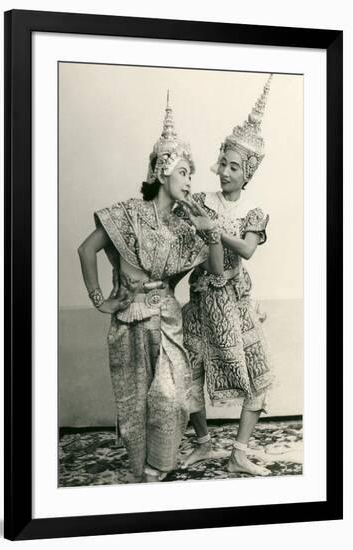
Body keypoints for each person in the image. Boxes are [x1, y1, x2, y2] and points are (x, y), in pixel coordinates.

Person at [78, 94, 224, 483]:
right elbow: (86, 250)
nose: (190, 180)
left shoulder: (185, 227)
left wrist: (210, 233)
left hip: (169, 321)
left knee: (170, 398)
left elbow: (216, 270)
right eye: (184, 172)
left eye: (191, 173)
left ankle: (161, 464)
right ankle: (143, 472)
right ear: (162, 172)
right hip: (131, 319)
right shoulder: (128, 214)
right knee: (135, 402)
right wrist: (100, 300)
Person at [181, 75, 275, 476]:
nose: (225, 172)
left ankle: (238, 453)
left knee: (259, 375)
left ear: (247, 172)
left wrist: (216, 231)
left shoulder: (255, 210)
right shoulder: (202, 200)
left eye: (234, 167)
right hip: (202, 297)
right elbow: (188, 245)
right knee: (191, 372)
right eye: (223, 163)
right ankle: (203, 444)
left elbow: (248, 250)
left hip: (236, 301)